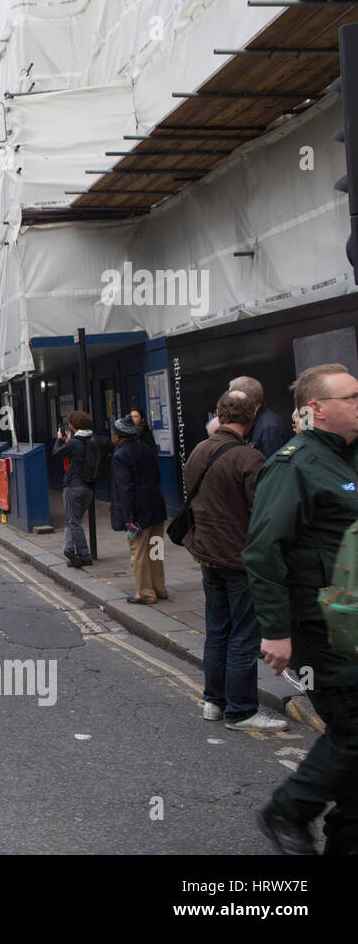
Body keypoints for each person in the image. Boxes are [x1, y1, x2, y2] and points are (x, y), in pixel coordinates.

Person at [245, 363, 358, 854]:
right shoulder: (293, 465)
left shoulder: (347, 458)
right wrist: (275, 630)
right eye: (351, 397)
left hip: (352, 619)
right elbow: (262, 550)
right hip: (321, 625)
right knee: (354, 729)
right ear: (318, 408)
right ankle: (287, 810)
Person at [184, 391, 284, 731]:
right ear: (251, 418)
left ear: (219, 414)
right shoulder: (248, 459)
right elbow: (264, 513)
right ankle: (241, 711)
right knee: (243, 635)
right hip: (240, 560)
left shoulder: (199, 450)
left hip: (207, 555)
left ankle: (214, 702)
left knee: (217, 631)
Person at [108, 416, 168, 604]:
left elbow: (125, 489)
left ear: (119, 437)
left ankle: (145, 593)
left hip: (138, 514)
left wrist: (129, 518)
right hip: (157, 508)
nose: (112, 436)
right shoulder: (147, 449)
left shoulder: (120, 456)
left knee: (139, 553)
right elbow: (157, 477)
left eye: (113, 433)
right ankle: (160, 589)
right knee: (156, 550)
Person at [52, 410, 94, 568]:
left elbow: (56, 454)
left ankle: (84, 555)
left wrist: (59, 440)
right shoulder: (91, 439)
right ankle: (69, 548)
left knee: (74, 522)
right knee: (72, 520)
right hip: (88, 488)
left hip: (73, 486)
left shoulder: (75, 443)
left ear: (73, 425)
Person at [229, 375, 291, 458]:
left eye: (232, 400)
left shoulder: (269, 427)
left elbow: (271, 466)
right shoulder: (256, 422)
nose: (229, 404)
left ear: (244, 399)